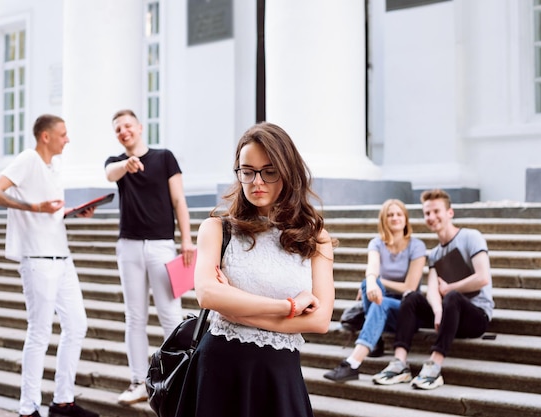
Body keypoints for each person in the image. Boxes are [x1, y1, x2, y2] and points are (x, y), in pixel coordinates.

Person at [176, 122, 335, 417]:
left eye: (269, 171)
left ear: (288, 171)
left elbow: (320, 320)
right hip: (220, 368)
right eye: (247, 171)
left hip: (279, 375)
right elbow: (207, 294)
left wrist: (236, 310)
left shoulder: (315, 235)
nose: (257, 181)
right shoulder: (216, 228)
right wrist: (289, 306)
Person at [0, 115, 99, 417]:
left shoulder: (51, 169)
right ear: (45, 136)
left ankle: (62, 401)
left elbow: (49, 214)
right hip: (37, 261)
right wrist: (32, 207)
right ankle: (27, 408)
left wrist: (71, 213)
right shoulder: (28, 159)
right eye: (63, 134)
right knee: (39, 332)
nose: (67, 139)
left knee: (77, 325)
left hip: (62, 258)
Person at [105, 109, 195, 405]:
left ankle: (179, 379)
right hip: (128, 246)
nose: (124, 131)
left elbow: (179, 200)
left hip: (162, 246)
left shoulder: (164, 157)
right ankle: (138, 381)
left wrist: (187, 240)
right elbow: (109, 174)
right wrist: (126, 164)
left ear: (140, 127)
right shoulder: (116, 163)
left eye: (128, 125)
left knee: (171, 315)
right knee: (134, 317)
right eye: (118, 129)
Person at [372, 189, 494, 390]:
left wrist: (451, 288)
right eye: (427, 213)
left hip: (476, 316)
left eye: (436, 211)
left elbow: (482, 278)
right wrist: (438, 311)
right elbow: (432, 289)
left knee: (452, 296)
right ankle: (399, 363)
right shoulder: (435, 253)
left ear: (450, 213)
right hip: (447, 315)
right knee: (411, 297)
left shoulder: (472, 237)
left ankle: (434, 365)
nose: (431, 217)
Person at [324, 199, 426, 382]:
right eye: (390, 214)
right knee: (367, 284)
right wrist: (371, 282)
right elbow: (372, 270)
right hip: (382, 304)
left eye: (398, 214)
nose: (394, 218)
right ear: (383, 220)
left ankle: (353, 363)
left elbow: (410, 287)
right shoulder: (377, 243)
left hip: (408, 311)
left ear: (406, 218)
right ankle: (373, 340)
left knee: (380, 299)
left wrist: (379, 281)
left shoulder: (417, 246)